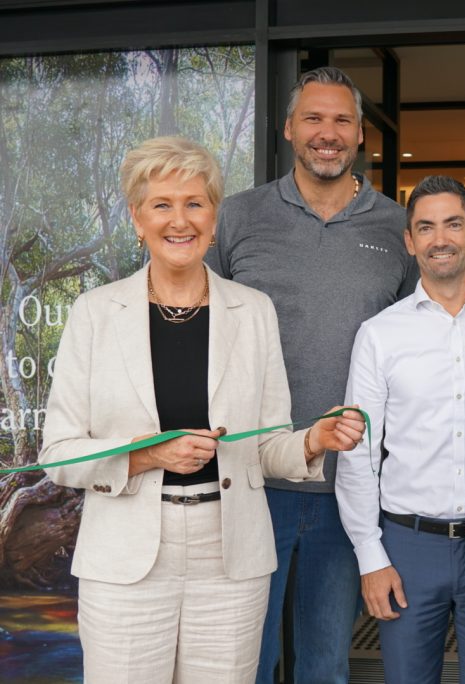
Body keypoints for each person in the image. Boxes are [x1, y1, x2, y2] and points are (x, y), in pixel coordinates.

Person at [39, 136, 365, 682]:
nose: (179, 220)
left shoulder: (253, 311)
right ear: (137, 218)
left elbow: (266, 445)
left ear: (214, 217)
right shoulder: (94, 314)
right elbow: (59, 456)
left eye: (195, 203)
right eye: (161, 204)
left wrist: (314, 441)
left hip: (230, 558)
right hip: (125, 558)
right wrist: (150, 455)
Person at [207, 66, 417, 683]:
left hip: (346, 493)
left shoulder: (396, 227)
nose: (328, 133)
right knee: (245, 661)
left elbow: (412, 342)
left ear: (360, 134)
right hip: (248, 483)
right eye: (314, 119)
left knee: (325, 665)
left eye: (342, 120)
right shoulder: (238, 218)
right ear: (288, 128)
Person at [337, 176, 465, 683]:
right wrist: (370, 556)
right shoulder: (379, 334)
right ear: (410, 241)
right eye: (426, 227)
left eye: (453, 224)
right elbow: (358, 452)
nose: (441, 238)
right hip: (407, 545)